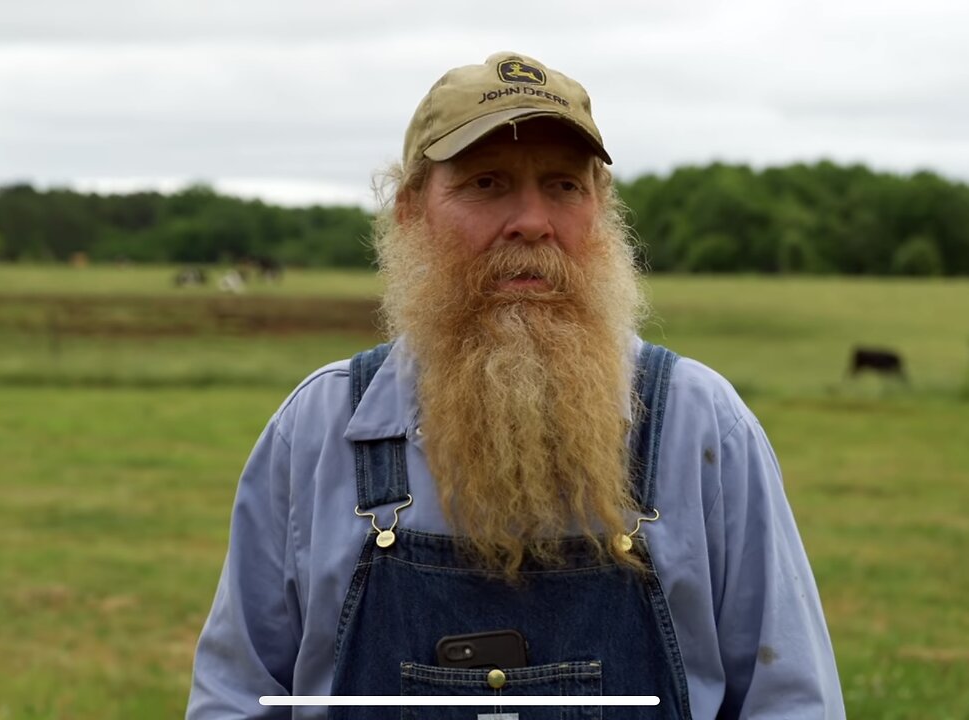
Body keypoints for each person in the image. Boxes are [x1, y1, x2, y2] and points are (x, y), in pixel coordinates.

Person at [186, 51, 845, 719]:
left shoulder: (702, 426)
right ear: (411, 209)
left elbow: (789, 700)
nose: (532, 220)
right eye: (487, 183)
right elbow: (238, 696)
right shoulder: (319, 430)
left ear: (600, 210)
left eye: (563, 185)